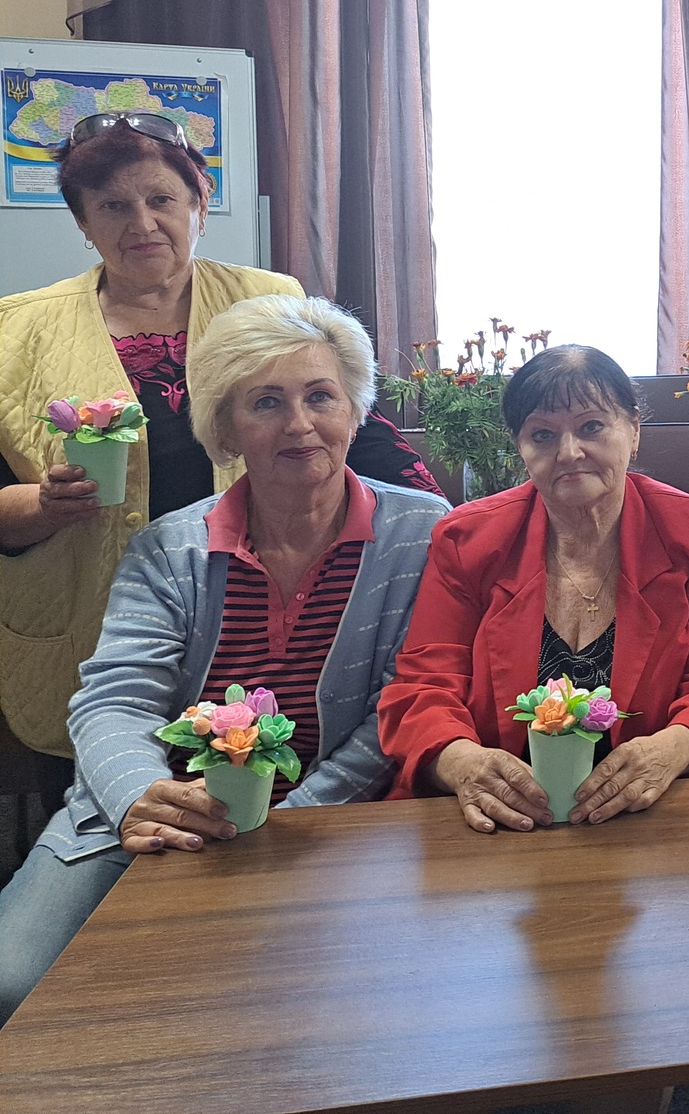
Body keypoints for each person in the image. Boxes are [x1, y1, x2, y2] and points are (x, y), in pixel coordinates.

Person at [0, 294, 447, 1023]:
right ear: (226, 429)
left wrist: (295, 816)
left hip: (334, 819)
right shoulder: (169, 547)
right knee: (12, 984)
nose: (299, 424)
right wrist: (141, 796)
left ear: (353, 410)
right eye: (266, 402)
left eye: (320, 396)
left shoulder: (423, 533)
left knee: (336, 1004)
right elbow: (114, 699)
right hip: (154, 810)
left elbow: (398, 704)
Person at [0, 113, 437, 781]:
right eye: (112, 206)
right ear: (83, 221)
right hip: (87, 611)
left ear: (200, 204)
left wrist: (451, 529)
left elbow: (354, 427)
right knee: (115, 783)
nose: (142, 223)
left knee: (268, 780)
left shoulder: (269, 298)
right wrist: (42, 505)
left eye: (161, 199)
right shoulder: (17, 330)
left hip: (248, 610)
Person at [378, 346, 689, 831]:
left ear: (634, 430)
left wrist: (671, 749)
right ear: (520, 447)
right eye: (542, 435)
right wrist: (461, 762)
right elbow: (423, 688)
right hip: (498, 822)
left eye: (592, 426)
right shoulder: (467, 540)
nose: (569, 452)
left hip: (652, 814)